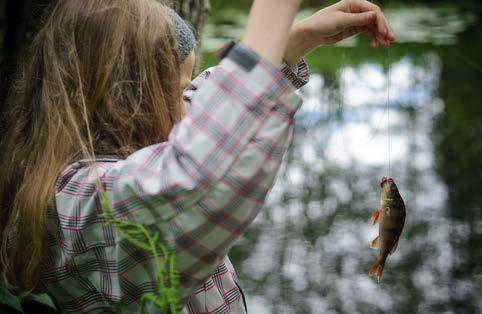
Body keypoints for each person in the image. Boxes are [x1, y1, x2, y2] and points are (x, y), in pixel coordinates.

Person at [0, 0, 394, 312]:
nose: (187, 103)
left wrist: (292, 42)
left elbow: (205, 102)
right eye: (175, 91)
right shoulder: (73, 205)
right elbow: (195, 175)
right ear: (128, 102)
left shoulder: (98, 154)